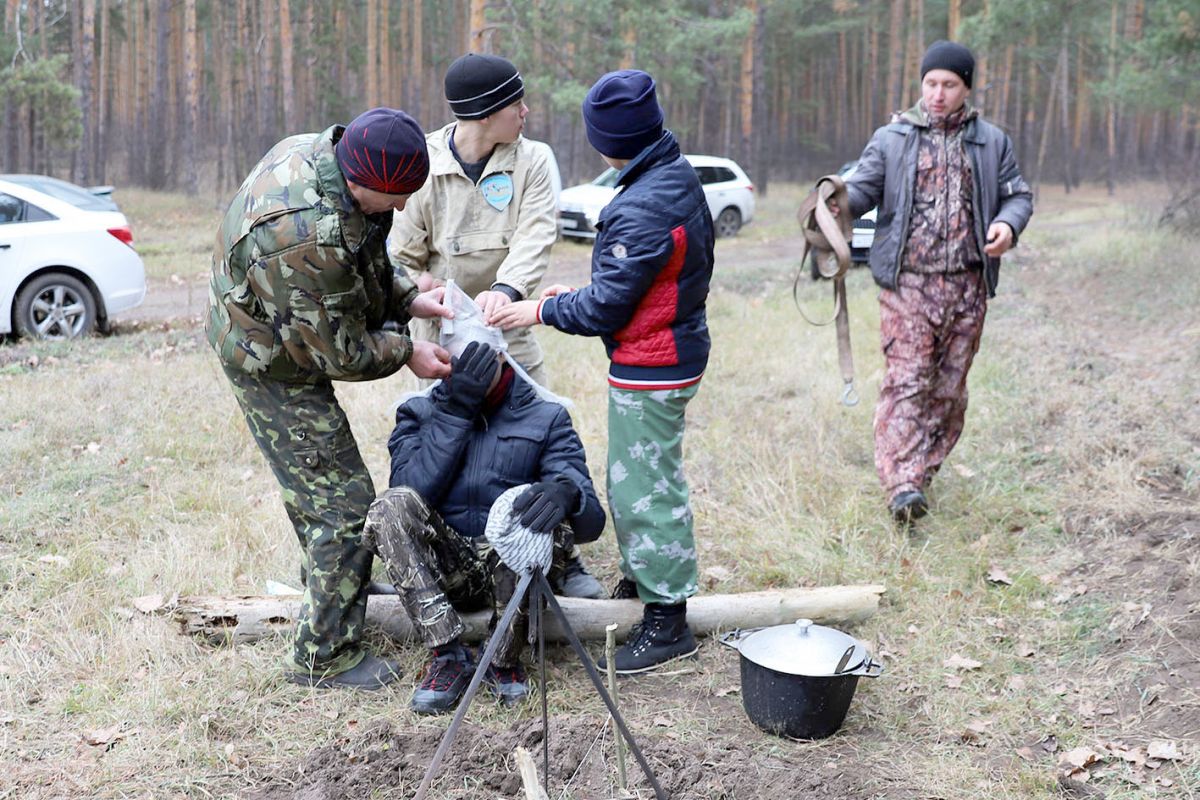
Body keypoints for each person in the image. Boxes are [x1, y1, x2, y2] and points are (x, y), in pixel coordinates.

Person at [207, 108, 454, 690]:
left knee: (327, 495)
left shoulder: (327, 158)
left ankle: (335, 587)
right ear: (363, 179)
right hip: (269, 360)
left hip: (289, 319)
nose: (397, 211)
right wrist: (408, 351)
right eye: (394, 199)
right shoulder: (303, 233)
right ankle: (324, 656)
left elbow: (358, 256)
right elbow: (339, 353)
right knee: (343, 508)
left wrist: (407, 297)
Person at [493, 69, 715, 674]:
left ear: (607, 138)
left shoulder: (643, 201)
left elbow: (606, 307)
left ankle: (668, 620)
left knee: (645, 489)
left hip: (653, 362)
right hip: (666, 347)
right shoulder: (667, 173)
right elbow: (637, 283)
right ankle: (650, 582)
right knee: (637, 482)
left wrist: (539, 307)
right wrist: (587, 291)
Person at [388, 51, 606, 600]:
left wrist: (506, 292)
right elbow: (400, 257)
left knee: (541, 432)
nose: (526, 111)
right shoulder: (426, 167)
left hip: (508, 325)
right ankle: (441, 555)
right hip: (443, 336)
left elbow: (536, 234)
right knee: (448, 438)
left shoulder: (532, 161)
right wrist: (423, 292)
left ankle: (564, 557)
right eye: (515, 103)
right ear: (484, 114)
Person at [839, 41, 1033, 523]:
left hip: (968, 287)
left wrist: (1007, 225)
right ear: (920, 85)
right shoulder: (892, 138)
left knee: (948, 391)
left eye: (949, 84)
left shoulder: (992, 142)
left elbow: (1018, 196)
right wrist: (831, 202)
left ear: (966, 87)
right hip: (908, 285)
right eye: (930, 84)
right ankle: (900, 481)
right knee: (907, 381)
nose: (938, 94)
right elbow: (861, 190)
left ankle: (920, 475)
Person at [365, 339, 606, 714]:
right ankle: (448, 655)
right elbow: (412, 490)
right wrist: (456, 410)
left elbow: (591, 524)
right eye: (454, 351)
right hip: (449, 568)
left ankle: (503, 658)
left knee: (548, 521)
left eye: (478, 351)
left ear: (501, 353)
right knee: (388, 507)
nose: (465, 361)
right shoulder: (418, 411)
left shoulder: (546, 416)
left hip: (510, 566)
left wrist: (567, 493)